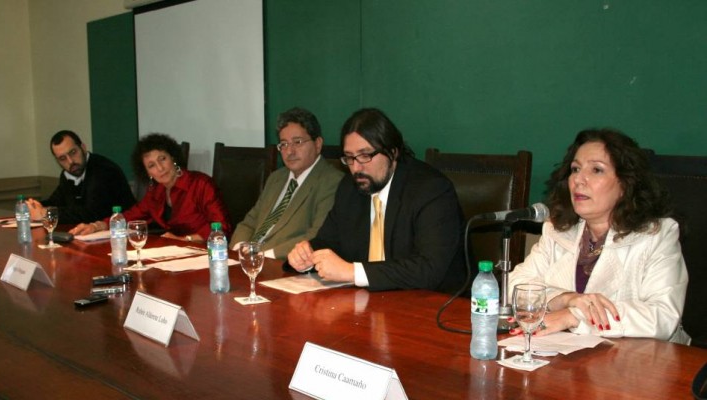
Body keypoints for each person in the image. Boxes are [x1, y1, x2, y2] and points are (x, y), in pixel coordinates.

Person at [508, 128, 690, 344]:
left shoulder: (657, 235)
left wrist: (575, 317)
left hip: (645, 361)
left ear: (625, 184)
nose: (579, 180)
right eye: (575, 169)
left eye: (596, 170)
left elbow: (662, 316)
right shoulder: (558, 229)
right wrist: (566, 299)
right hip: (570, 357)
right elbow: (516, 284)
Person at [286, 108, 466, 293]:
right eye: (349, 157)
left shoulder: (430, 190)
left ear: (393, 152)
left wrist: (352, 272)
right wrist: (307, 254)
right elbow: (329, 241)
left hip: (436, 306)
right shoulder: (350, 187)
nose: (356, 168)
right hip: (372, 304)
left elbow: (428, 269)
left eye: (365, 155)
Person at [70, 133, 231, 242]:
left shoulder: (200, 184)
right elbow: (132, 215)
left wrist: (185, 240)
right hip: (175, 256)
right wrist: (97, 226)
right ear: (147, 172)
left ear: (173, 158)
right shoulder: (157, 191)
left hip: (207, 254)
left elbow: (222, 228)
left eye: (163, 159)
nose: (160, 168)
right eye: (151, 165)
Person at [229, 107, 343, 259]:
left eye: (298, 142)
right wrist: (240, 249)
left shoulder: (332, 181)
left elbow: (317, 236)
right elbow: (249, 222)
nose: (290, 151)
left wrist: (262, 256)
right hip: (248, 261)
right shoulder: (276, 178)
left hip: (282, 265)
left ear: (318, 144)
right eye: (284, 144)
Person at [27, 130, 136, 224]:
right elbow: (56, 201)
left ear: (83, 148)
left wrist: (46, 213)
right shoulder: (69, 174)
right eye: (62, 158)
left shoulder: (103, 170)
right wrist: (34, 206)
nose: (70, 161)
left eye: (73, 152)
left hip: (122, 233)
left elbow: (91, 214)